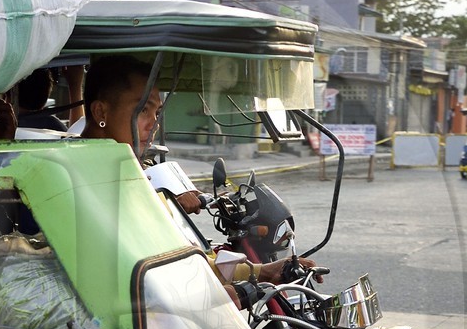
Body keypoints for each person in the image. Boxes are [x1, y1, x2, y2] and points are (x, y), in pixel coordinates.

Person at [82, 55, 309, 287]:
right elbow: (163, 272)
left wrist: (262, 272)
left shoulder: (125, 169)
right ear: (101, 112)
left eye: (157, 113)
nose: (154, 124)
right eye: (142, 110)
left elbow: (181, 261)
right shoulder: (88, 177)